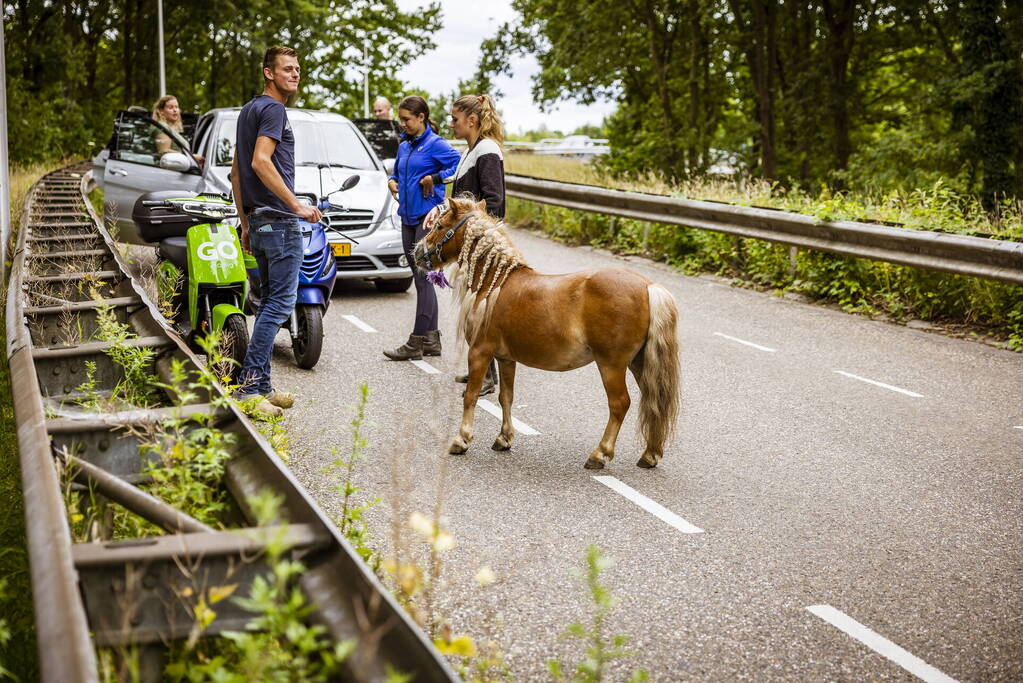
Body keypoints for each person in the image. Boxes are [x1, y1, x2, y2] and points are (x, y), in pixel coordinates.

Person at [230, 45, 321, 416]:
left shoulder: (248, 111)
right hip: (281, 222)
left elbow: (237, 172)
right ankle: (250, 390)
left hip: (260, 220)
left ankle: (262, 386)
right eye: (286, 68)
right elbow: (259, 162)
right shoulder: (273, 109)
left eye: (297, 68)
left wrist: (245, 222)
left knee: (268, 303)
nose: (295, 74)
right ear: (268, 73)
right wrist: (297, 205)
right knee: (280, 304)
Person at [382, 96, 461, 361]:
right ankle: (432, 340)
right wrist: (392, 182)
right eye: (401, 119)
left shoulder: (435, 144)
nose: (402, 124)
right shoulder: (405, 144)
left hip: (428, 220)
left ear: (421, 118)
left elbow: (459, 165)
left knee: (424, 278)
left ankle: (416, 342)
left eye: (406, 119)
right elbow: (398, 174)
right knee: (421, 279)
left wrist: (435, 178)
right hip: (407, 217)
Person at [446, 94, 507, 395]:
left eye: (455, 119)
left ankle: (486, 377)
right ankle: (481, 372)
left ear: (471, 120)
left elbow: (495, 204)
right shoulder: (469, 151)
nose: (451, 124)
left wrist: (474, 234)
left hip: (484, 246)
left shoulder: (487, 150)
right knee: (475, 313)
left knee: (481, 314)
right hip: (471, 244)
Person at [152, 95, 204, 165]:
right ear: (161, 111)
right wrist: (191, 157)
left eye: (176, 107)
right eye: (171, 107)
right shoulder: (162, 126)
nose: (175, 110)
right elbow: (163, 151)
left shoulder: (169, 128)